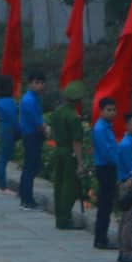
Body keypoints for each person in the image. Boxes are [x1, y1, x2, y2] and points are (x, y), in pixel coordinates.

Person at [49, 83, 87, 229]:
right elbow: (76, 142)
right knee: (68, 187)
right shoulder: (73, 117)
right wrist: (80, 163)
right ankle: (65, 219)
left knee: (58, 185)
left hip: (58, 151)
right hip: (68, 153)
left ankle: (60, 217)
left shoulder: (57, 112)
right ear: (77, 101)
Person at [90, 97, 121, 249]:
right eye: (108, 110)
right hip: (105, 168)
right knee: (105, 204)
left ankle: (102, 237)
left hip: (109, 167)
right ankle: (100, 239)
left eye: (114, 109)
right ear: (101, 111)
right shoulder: (100, 129)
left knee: (107, 204)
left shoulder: (107, 127)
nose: (112, 113)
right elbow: (107, 153)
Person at [16, 70, 48, 210]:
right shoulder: (29, 100)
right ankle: (27, 200)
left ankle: (24, 196)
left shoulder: (34, 98)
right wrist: (46, 130)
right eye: (36, 83)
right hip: (31, 136)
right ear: (30, 84)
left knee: (30, 167)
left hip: (33, 135)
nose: (40, 85)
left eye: (42, 83)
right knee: (30, 168)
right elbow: (37, 122)